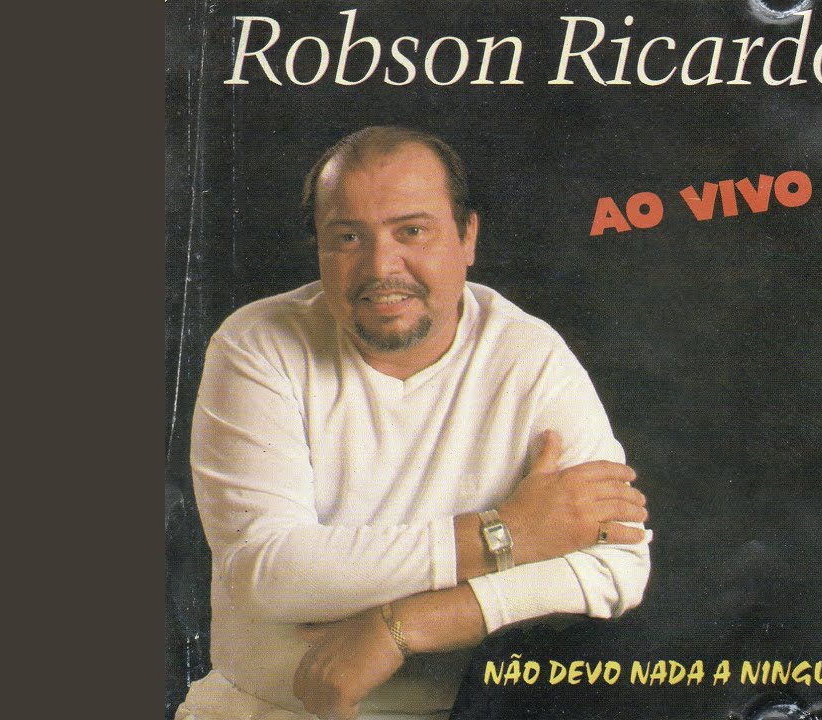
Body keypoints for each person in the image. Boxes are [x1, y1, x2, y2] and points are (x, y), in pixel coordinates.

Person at [175, 126, 652, 720]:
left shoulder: (529, 356)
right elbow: (269, 571)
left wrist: (401, 627)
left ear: (467, 236)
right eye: (348, 237)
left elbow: (619, 565)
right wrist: (509, 535)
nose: (381, 266)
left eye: (412, 231)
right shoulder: (257, 344)